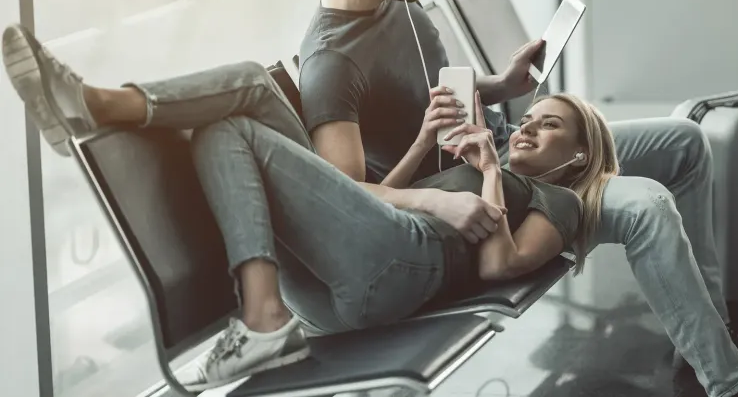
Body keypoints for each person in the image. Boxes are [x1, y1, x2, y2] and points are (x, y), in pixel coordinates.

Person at [298, 0, 738, 397]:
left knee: (685, 144)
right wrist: (460, 170)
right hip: (486, 185)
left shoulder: (396, 2)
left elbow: (436, 95)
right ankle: (729, 381)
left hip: (508, 144)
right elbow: (346, 195)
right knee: (646, 207)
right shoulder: (331, 63)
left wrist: (500, 83)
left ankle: (707, 339)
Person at [3, 23, 617, 392]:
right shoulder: (488, 167)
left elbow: (499, 266)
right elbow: (371, 196)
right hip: (357, 267)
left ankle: (93, 104)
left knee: (239, 112)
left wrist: (486, 173)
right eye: (529, 118)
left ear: (579, 153)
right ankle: (264, 312)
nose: (529, 129)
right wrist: (426, 148)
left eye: (551, 126)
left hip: (401, 267)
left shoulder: (556, 199)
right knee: (234, 109)